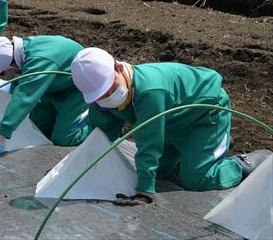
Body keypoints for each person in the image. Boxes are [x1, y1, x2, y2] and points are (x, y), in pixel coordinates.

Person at [70, 47, 271, 205]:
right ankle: (201, 151)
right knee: (161, 172)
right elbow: (100, 137)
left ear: (120, 68)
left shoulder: (150, 91)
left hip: (203, 115)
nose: (107, 98)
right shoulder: (100, 98)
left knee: (197, 180)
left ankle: (245, 162)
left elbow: (150, 141)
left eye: (109, 89)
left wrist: (144, 191)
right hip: (172, 120)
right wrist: (75, 169)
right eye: (100, 97)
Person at [0, 36, 93, 158]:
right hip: (50, 88)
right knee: (38, 132)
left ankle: (98, 122)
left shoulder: (40, 60)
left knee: (64, 139)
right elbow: (19, 89)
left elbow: (24, 97)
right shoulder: (18, 54)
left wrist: (0, 138)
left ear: (9, 66)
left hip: (74, 89)